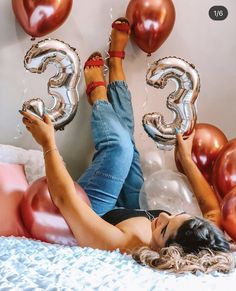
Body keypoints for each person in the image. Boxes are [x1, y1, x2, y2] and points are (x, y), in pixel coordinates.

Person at [20, 17, 235, 274]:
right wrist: (187, 160)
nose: (162, 216)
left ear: (166, 252)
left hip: (98, 211)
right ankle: (116, 62)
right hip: (133, 206)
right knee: (130, 146)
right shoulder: (203, 241)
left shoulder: (125, 244)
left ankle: (98, 94)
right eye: (176, 214)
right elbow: (212, 209)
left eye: (165, 229)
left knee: (119, 149)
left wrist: (47, 143)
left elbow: (66, 200)